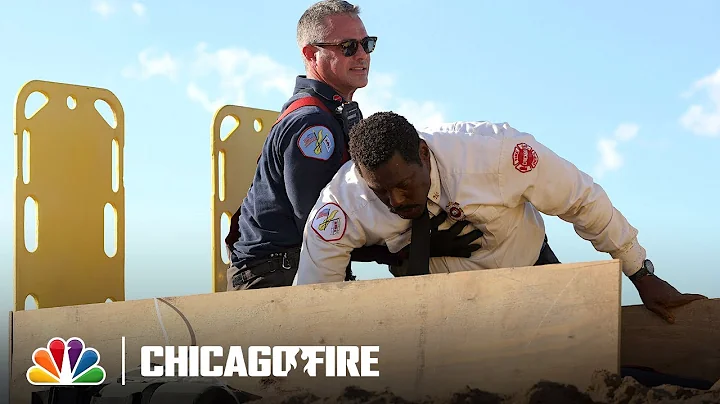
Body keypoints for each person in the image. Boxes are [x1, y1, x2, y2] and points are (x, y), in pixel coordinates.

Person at [294, 111, 707, 324]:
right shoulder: (342, 204)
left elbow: (581, 200)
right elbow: (314, 301)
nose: (396, 200)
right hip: (436, 309)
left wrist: (640, 272)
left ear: (423, 154)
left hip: (529, 271)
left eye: (404, 184)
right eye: (380, 191)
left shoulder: (497, 155)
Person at [224, 1, 479, 291]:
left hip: (295, 267)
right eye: (348, 46)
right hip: (275, 277)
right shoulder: (313, 126)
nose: (362, 55)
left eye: (366, 44)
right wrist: (412, 246)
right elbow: (325, 226)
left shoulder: (333, 115)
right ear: (311, 54)